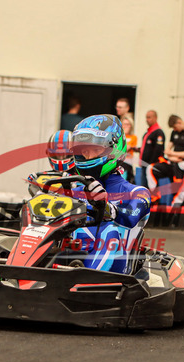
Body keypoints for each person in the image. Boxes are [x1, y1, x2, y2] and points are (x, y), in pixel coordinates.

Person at [69, 114, 151, 274]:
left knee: (109, 231)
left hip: (118, 271)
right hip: (72, 260)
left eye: (96, 150)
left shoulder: (137, 193)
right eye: (84, 151)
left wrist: (105, 207)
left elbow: (130, 216)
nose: (88, 157)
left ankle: (87, 281)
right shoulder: (74, 192)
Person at [146, 115, 184, 206]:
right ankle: (154, 196)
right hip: (173, 163)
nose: (174, 129)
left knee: (180, 191)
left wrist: (174, 154)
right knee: (151, 168)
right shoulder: (174, 133)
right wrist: (172, 157)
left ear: (179, 122)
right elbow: (167, 150)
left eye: (175, 127)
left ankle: (176, 206)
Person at [27, 130, 76, 196]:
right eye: (57, 155)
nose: (61, 158)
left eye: (64, 154)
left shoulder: (82, 177)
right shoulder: (44, 176)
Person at [137, 110, 165, 187]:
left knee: (151, 187)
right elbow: (145, 148)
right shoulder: (147, 133)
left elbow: (158, 150)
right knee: (144, 187)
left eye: (149, 117)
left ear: (155, 118)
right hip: (144, 164)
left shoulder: (158, 132)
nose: (147, 120)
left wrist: (151, 164)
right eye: (146, 117)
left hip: (151, 166)